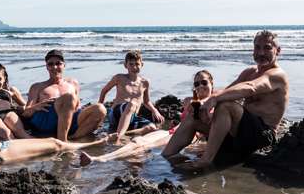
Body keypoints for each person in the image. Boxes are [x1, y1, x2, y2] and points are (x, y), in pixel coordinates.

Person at [165, 30, 288, 167]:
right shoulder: (249, 72)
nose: (261, 53)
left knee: (226, 106)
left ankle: (205, 160)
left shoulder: (277, 75)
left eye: (267, 48)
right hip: (237, 135)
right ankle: (165, 157)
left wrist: (214, 99)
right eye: (257, 47)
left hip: (261, 136)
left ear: (278, 51)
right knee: (194, 116)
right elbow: (226, 91)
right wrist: (201, 103)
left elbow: (251, 87)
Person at [81, 69, 218, 166]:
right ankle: (102, 158)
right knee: (138, 141)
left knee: (144, 145)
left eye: (204, 83)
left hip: (186, 137)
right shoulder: (190, 100)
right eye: (196, 84)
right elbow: (192, 105)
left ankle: (102, 159)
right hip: (171, 132)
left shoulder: (218, 103)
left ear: (212, 83)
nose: (200, 86)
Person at [22, 49, 106, 141]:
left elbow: (78, 106)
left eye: (58, 63)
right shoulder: (37, 87)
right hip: (47, 120)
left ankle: (73, 138)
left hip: (70, 120)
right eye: (50, 64)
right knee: (68, 97)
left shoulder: (73, 83)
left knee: (100, 109)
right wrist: (36, 107)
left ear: (64, 65)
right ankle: (63, 140)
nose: (54, 67)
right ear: (46, 67)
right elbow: (26, 114)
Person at [98, 50, 164, 141]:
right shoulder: (119, 78)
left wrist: (155, 110)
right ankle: (118, 137)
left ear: (142, 65)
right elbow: (104, 91)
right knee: (132, 103)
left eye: (137, 64)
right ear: (125, 65)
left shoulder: (145, 83)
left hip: (132, 117)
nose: (134, 67)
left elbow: (146, 101)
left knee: (152, 128)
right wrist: (100, 111)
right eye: (131, 64)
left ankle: (121, 133)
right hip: (116, 113)